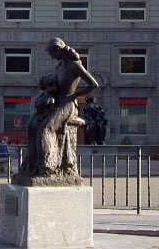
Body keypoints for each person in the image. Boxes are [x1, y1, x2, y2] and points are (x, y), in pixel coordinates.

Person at [13, 37, 99, 185]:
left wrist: (74, 96)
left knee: (45, 129)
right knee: (32, 126)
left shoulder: (74, 65)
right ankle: (31, 164)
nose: (51, 56)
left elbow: (93, 84)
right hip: (55, 102)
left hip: (67, 103)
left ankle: (47, 165)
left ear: (58, 50)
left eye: (52, 53)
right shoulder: (60, 66)